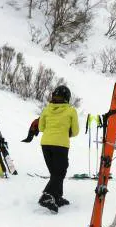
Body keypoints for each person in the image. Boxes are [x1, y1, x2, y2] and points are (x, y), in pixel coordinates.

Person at [37, 85, 79, 213]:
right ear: (67, 98)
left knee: (55, 173)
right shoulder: (71, 111)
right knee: (59, 172)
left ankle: (56, 196)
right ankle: (46, 196)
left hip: (45, 144)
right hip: (60, 145)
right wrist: (65, 134)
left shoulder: (46, 109)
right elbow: (75, 131)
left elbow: (41, 128)